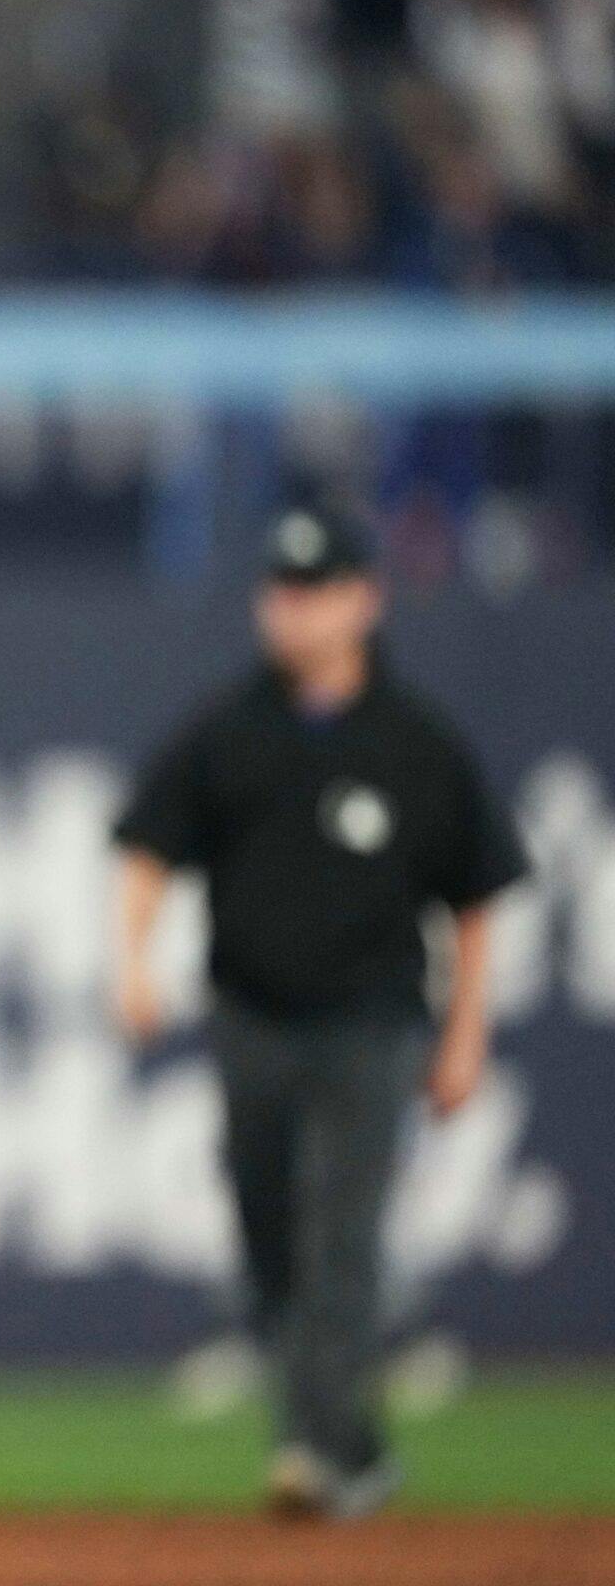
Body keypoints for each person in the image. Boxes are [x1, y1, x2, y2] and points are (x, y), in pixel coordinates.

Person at [110, 505, 526, 1519]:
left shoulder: (414, 741)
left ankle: (313, 1448)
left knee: (342, 1236)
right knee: (269, 1236)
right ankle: (357, 1445)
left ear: (363, 600)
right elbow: (147, 842)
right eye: (279, 591)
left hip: (371, 1025)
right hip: (251, 1016)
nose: (291, 611)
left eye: (313, 590)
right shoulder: (230, 729)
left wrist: (466, 1031)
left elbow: (476, 893)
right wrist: (131, 961)